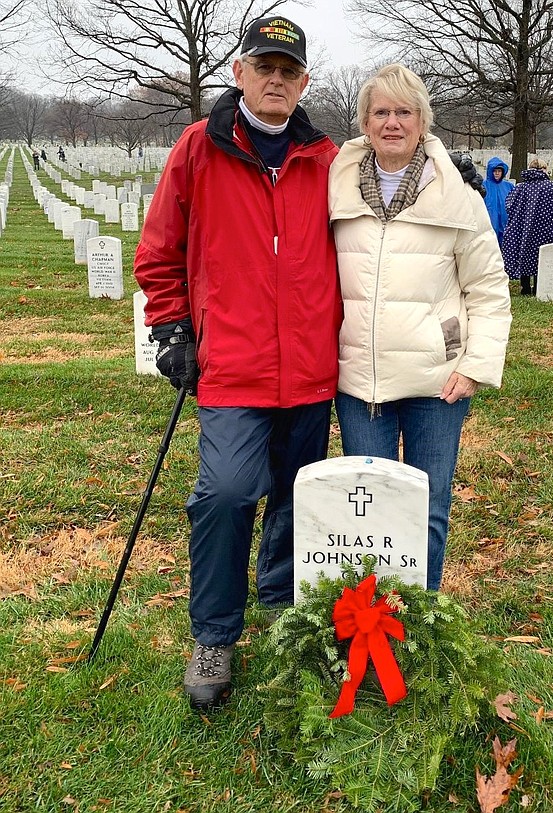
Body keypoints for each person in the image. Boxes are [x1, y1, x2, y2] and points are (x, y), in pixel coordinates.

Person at [134, 16, 342, 712]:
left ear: (304, 81)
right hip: (233, 366)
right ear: (240, 73)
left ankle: (282, 607)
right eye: (265, 67)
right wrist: (170, 324)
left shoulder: (327, 158)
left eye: (289, 71)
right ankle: (215, 633)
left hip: (311, 368)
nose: (276, 80)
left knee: (294, 497)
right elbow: (161, 247)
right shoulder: (199, 148)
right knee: (225, 494)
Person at [328, 64, 512, 593]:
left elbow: (488, 290)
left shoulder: (458, 199)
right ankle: (373, 615)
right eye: (381, 112)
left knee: (428, 505)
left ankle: (420, 616)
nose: (392, 122)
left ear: (423, 121)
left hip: (438, 381)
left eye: (403, 111)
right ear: (364, 122)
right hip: (361, 382)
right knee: (372, 510)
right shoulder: (336, 189)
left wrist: (476, 366)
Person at [501, 158, 553, 295]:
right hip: (545, 228)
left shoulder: (519, 187)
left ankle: (525, 287)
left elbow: (509, 206)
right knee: (541, 256)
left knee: (524, 254)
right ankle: (538, 287)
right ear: (544, 169)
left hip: (521, 228)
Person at [482, 156, 514, 246]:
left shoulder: (509, 186)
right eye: (494, 171)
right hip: (490, 221)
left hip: (505, 222)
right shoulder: (483, 185)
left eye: (499, 171)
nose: (497, 173)